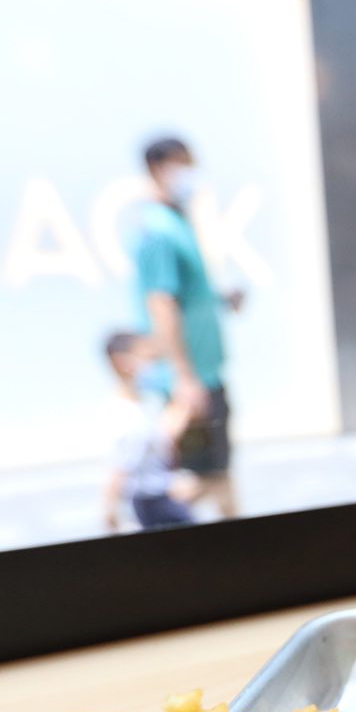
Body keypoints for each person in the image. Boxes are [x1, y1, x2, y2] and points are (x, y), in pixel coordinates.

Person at [131, 136, 243, 517]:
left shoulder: (179, 221)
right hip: (189, 378)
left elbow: (186, 295)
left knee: (219, 471)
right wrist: (183, 376)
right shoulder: (158, 229)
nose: (188, 173)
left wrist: (222, 300)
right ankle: (147, 517)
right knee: (203, 476)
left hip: (203, 372)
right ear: (156, 168)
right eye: (181, 164)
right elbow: (160, 304)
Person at [101, 332, 196, 532]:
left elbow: (164, 437)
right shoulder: (122, 414)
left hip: (167, 496)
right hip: (152, 503)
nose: (150, 363)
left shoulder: (146, 402)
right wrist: (109, 510)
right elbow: (120, 468)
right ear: (120, 362)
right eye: (144, 356)